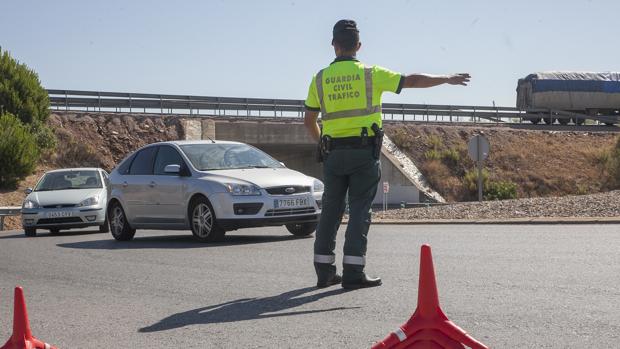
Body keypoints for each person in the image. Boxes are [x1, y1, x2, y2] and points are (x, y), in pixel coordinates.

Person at [303, 19, 470, 290]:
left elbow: (309, 120)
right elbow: (412, 80)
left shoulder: (319, 78)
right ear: (358, 45)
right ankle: (353, 273)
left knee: (331, 210)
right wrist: (446, 78)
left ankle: (324, 272)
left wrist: (322, 143)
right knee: (359, 210)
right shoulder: (371, 74)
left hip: (333, 154)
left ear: (333, 45)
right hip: (362, 153)